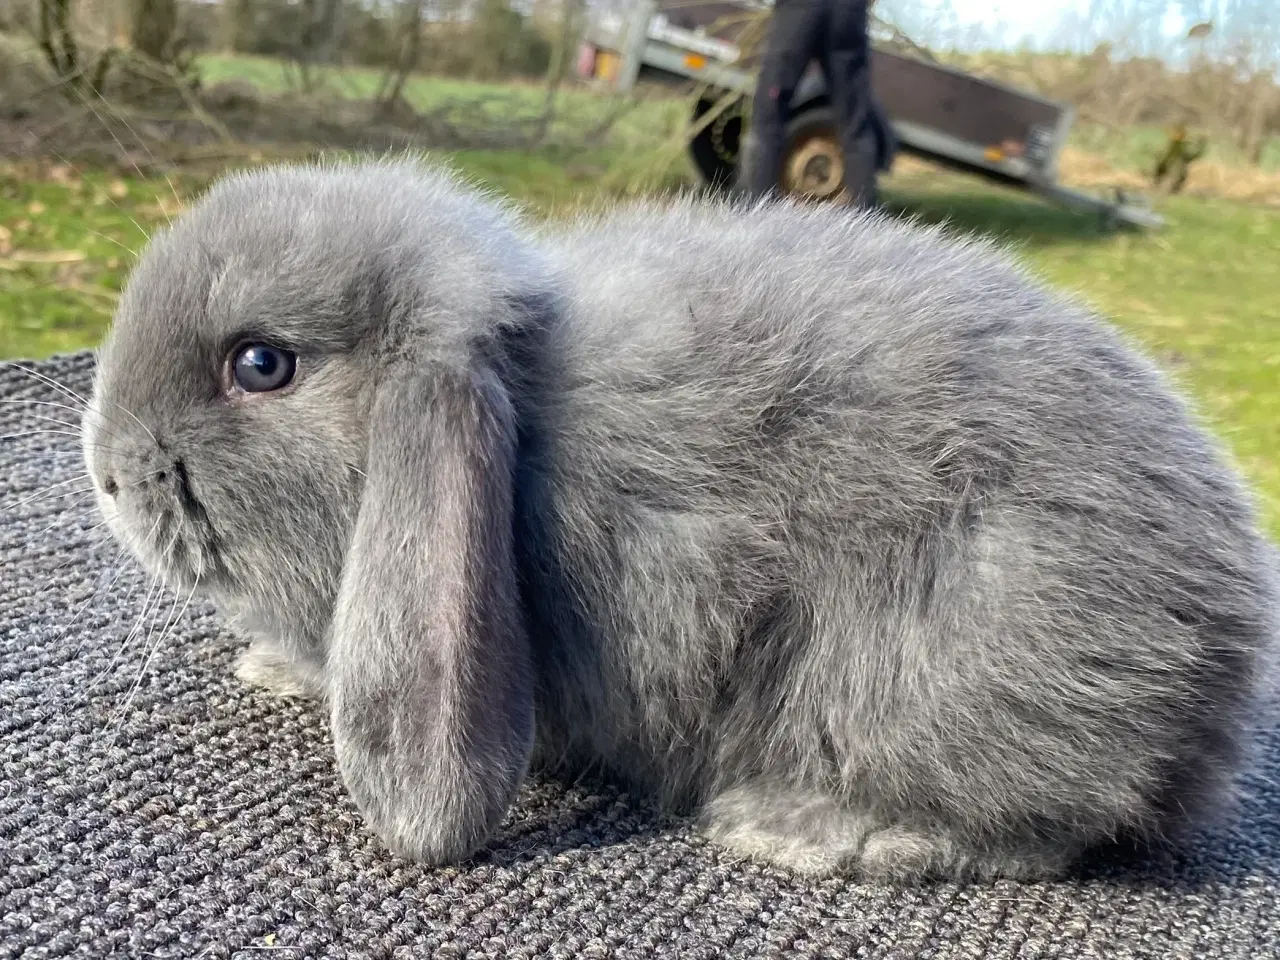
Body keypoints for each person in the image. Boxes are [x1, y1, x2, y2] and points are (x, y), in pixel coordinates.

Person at [737, 0, 891, 207]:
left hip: (800, 10)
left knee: (768, 117)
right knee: (856, 124)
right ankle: (865, 217)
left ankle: (754, 210)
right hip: (848, 12)